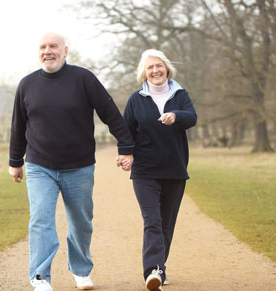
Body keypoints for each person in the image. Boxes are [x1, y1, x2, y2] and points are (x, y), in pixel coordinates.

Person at [8, 32, 134, 291]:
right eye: (42, 47)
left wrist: (126, 147)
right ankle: (40, 276)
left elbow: (109, 112)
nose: (47, 51)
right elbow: (18, 126)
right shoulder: (27, 84)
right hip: (39, 165)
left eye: (53, 46)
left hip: (79, 166)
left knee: (80, 221)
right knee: (41, 219)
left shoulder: (84, 79)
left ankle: (81, 271)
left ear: (66, 51)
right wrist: (15, 161)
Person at [122, 49, 197, 291]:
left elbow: (192, 117)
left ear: (167, 68)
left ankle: (159, 269)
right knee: (152, 220)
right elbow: (126, 131)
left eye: (158, 66)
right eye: (150, 67)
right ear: (144, 73)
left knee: (166, 223)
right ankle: (152, 270)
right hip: (145, 171)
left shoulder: (180, 94)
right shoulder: (136, 99)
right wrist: (125, 154)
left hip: (175, 169)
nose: (155, 70)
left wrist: (176, 115)